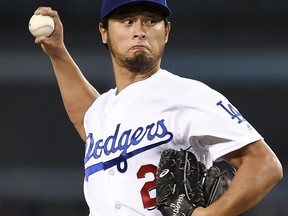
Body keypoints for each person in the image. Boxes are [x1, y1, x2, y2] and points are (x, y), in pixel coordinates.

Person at [32, 1, 283, 215]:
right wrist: (58, 52)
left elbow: (265, 163)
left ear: (166, 32)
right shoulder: (102, 110)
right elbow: (85, 118)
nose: (139, 31)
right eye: (127, 21)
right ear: (104, 32)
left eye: (151, 21)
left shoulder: (188, 94)